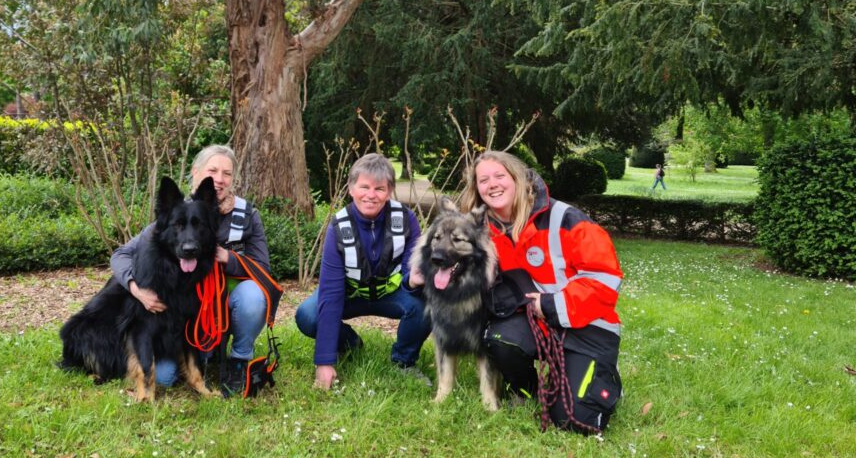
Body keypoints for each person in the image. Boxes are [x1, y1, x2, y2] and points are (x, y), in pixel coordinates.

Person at [460, 151, 623, 433]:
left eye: (500, 176)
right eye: (483, 180)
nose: (492, 184)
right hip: (533, 324)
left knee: (575, 421)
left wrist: (551, 304)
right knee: (500, 339)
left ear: (519, 179)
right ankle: (527, 389)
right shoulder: (480, 229)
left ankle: (603, 377)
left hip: (586, 325)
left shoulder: (566, 218)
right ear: (477, 189)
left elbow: (605, 278)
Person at [110, 145, 280, 396]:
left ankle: (239, 360)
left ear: (234, 179)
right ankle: (200, 358)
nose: (219, 179)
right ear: (196, 172)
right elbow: (121, 254)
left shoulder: (247, 215)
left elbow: (263, 270)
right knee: (166, 378)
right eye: (212, 171)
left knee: (253, 296)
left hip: (230, 309)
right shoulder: (177, 213)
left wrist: (227, 257)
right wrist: (137, 290)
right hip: (193, 315)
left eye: (227, 173)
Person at [295, 153, 432, 389]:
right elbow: (330, 292)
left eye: (379, 188)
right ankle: (349, 344)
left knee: (427, 306)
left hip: (392, 294)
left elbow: (412, 271)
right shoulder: (338, 226)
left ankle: (404, 362)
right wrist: (324, 361)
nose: (371, 195)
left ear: (389, 191)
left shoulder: (406, 219)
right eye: (364, 187)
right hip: (351, 294)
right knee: (308, 316)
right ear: (351, 188)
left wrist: (415, 281)